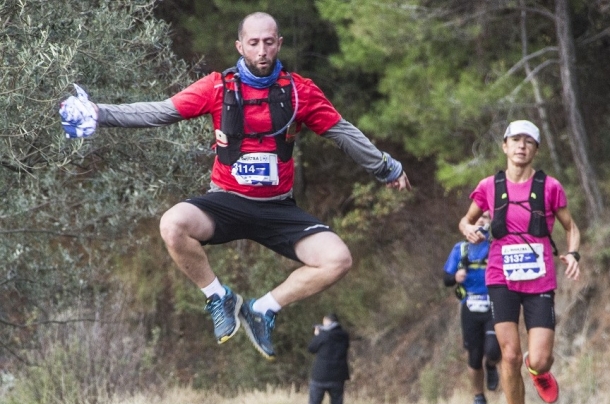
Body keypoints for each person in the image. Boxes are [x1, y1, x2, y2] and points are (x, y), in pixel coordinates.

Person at [58, 12, 411, 360]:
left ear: (279, 44)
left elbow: (342, 132)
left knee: (337, 259)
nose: (262, 51)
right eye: (254, 43)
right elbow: (161, 112)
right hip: (226, 202)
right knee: (172, 224)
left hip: (277, 207)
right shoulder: (216, 87)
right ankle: (218, 296)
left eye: (269, 43)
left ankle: (262, 309)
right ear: (239, 45)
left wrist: (385, 167)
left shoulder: (300, 92)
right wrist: (99, 112)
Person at [458, 120, 580, 404]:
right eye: (515, 140)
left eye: (528, 141)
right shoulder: (488, 186)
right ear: (505, 146)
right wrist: (469, 230)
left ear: (536, 150)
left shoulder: (550, 187)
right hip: (500, 279)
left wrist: (573, 253)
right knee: (509, 355)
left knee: (538, 359)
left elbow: (571, 228)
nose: (521, 146)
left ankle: (539, 372)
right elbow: (466, 221)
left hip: (540, 280)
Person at [443, 211, 501, 404]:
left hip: (493, 305)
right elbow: (446, 278)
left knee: (493, 349)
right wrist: (455, 277)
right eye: (476, 218)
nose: (480, 221)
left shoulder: (496, 247)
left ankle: (492, 365)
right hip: (470, 306)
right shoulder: (461, 249)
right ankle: (479, 397)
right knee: (474, 356)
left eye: (485, 217)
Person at [307, 313, 350, 404]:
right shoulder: (344, 336)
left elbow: (311, 348)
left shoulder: (323, 336)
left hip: (320, 375)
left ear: (326, 321)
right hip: (338, 375)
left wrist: (317, 335)